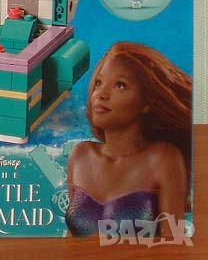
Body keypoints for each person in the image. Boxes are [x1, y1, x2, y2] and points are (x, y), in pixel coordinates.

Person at [66, 41, 192, 237]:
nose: (100, 94)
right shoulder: (80, 156)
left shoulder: (163, 158)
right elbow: (70, 241)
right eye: (98, 83)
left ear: (146, 102)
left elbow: (174, 242)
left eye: (120, 85)